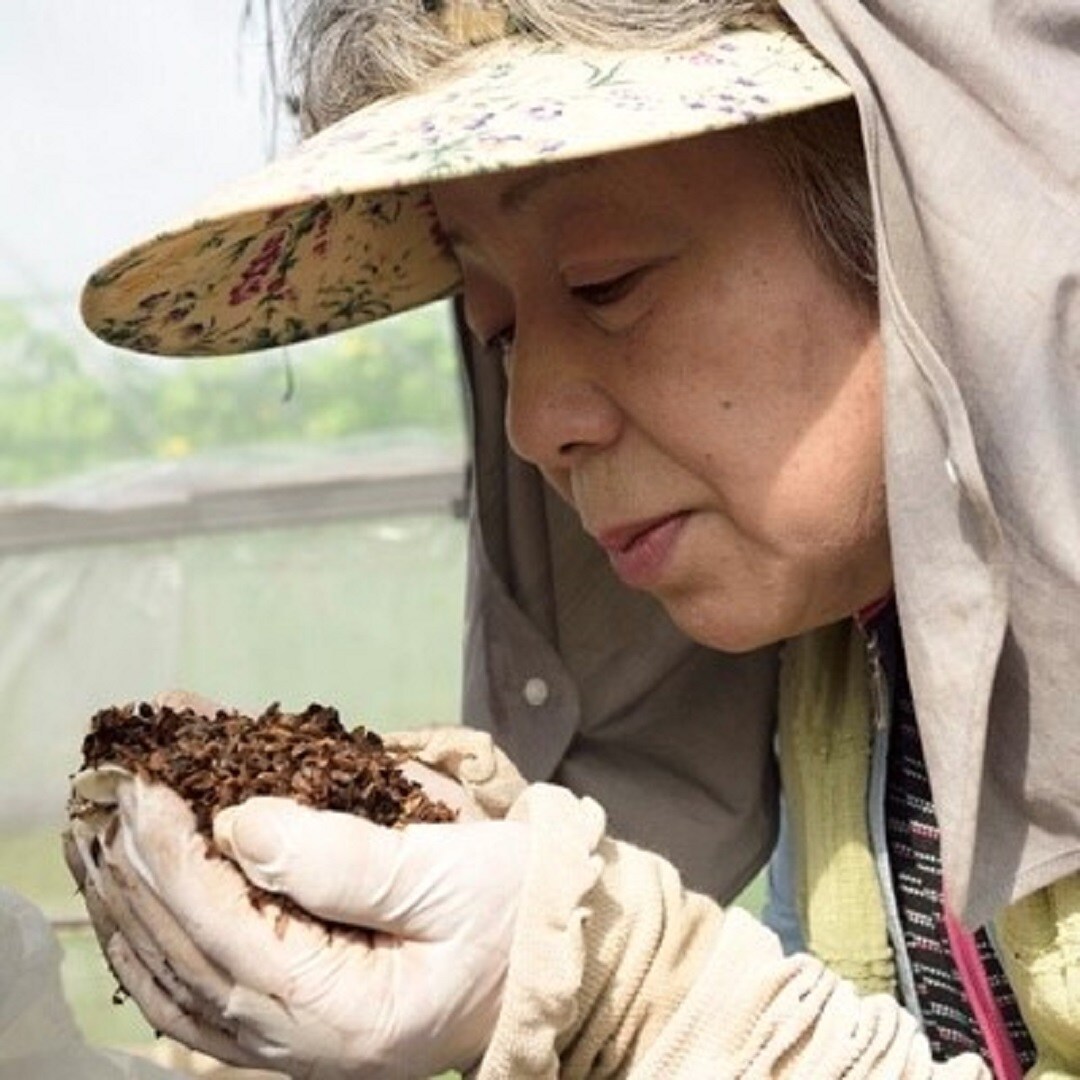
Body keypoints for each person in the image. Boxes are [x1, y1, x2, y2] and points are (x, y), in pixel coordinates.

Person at [70, 0, 1080, 1076]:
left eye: (607, 282)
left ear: (915, 207)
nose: (536, 423)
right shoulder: (843, 661)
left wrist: (630, 995)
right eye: (498, 328)